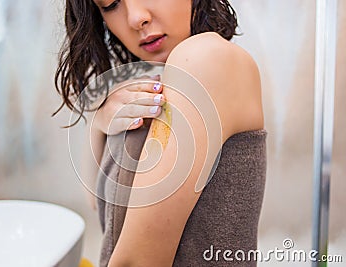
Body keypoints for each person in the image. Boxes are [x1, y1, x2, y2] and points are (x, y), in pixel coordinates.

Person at [54, 0, 267, 266]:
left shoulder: (207, 58)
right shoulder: (146, 79)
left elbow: (137, 261)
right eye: (110, 5)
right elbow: (99, 205)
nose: (135, 18)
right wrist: (100, 119)